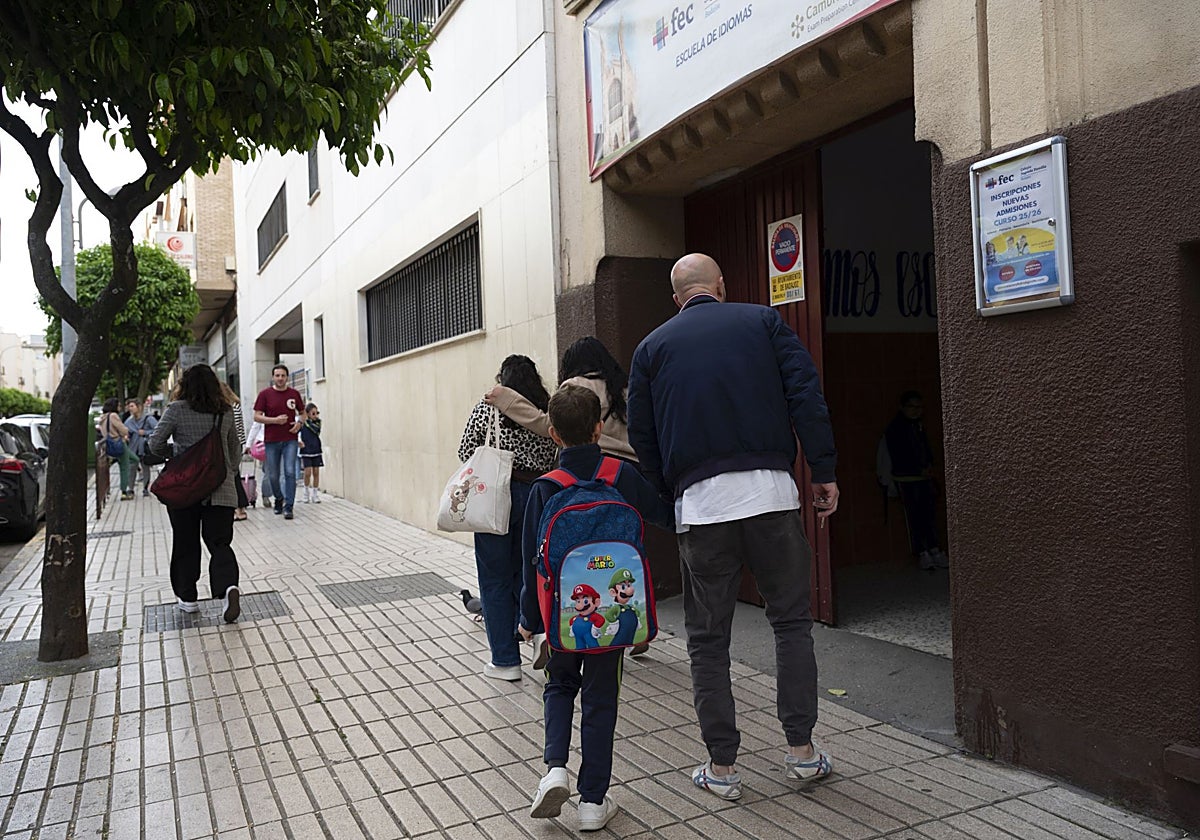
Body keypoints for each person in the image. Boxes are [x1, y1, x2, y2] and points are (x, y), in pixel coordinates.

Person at [626, 253, 839, 801]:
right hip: (771, 494)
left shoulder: (651, 349)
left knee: (708, 640)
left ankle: (722, 768)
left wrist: (669, 496)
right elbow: (806, 396)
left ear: (676, 298)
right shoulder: (764, 322)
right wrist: (824, 470)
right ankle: (802, 754)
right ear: (721, 285)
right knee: (791, 624)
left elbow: (643, 438)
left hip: (701, 509)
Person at [517, 385, 672, 831]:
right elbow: (660, 515)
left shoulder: (546, 488)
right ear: (599, 428)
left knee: (560, 685)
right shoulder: (620, 475)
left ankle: (554, 769)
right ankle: (592, 803)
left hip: (563, 617)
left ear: (552, 433)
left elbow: (532, 562)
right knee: (602, 699)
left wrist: (530, 620)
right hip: (613, 624)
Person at [486, 336, 652, 656]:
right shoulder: (623, 388)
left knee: (577, 553)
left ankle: (573, 622)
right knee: (628, 550)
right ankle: (635, 623)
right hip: (626, 476)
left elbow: (544, 422)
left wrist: (506, 398)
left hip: (583, 470)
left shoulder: (573, 389)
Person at [458, 355, 559, 681]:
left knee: (494, 577)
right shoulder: (545, 413)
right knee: (531, 572)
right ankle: (537, 638)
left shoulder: (488, 409)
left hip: (496, 497)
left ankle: (505, 661)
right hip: (537, 497)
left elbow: (465, 451)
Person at [147, 364, 243, 622]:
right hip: (220, 490)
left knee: (185, 541)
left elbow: (155, 443)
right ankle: (227, 589)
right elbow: (235, 449)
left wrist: (178, 455)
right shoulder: (225, 411)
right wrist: (224, 471)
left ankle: (188, 598)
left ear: (184, 385)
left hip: (184, 489)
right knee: (220, 543)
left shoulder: (176, 410)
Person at [485, 336, 637, 463]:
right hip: (632, 463)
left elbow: (548, 424)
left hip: (596, 462)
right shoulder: (623, 387)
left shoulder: (575, 385)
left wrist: (506, 398)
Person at [883, 390, 948, 570]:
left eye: (919, 407)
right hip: (907, 478)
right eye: (912, 407)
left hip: (922, 477)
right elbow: (899, 455)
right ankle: (922, 552)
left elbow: (925, 449)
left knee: (929, 514)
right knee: (914, 517)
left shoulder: (917, 426)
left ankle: (934, 548)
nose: (916, 411)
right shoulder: (896, 428)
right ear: (902, 407)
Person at [253, 364, 305, 520]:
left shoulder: (294, 394)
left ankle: (289, 506)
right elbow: (257, 416)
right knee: (273, 475)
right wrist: (274, 421)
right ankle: (279, 498)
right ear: (273, 377)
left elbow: (302, 413)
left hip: (290, 439)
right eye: (277, 375)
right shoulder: (265, 394)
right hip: (271, 440)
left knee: (290, 472)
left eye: (283, 376)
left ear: (287, 377)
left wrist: (299, 423)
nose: (280, 378)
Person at [219, 382, 249, 521]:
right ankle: (239, 507)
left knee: (234, 477)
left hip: (231, 445)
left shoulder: (229, 407)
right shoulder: (236, 404)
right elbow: (240, 428)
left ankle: (239, 507)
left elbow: (235, 428)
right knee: (235, 476)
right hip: (237, 445)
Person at [100, 397, 138, 500]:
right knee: (125, 467)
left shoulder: (103, 417)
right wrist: (125, 432)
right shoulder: (113, 416)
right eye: (118, 405)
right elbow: (123, 430)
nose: (120, 407)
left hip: (109, 444)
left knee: (135, 459)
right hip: (119, 443)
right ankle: (124, 492)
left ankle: (115, 459)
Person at [123, 399, 158, 497]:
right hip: (133, 448)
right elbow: (126, 431)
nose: (130, 409)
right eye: (129, 406)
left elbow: (158, 430)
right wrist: (126, 436)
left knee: (145, 468)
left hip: (144, 448)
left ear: (139, 407)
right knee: (131, 468)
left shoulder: (148, 419)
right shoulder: (129, 421)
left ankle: (145, 489)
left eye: (132, 406)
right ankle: (130, 489)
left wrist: (146, 433)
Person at [298, 403, 323, 504]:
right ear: (307, 414)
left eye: (317, 413)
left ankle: (315, 494)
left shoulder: (317, 423)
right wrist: (299, 441)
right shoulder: (303, 423)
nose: (315, 415)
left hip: (316, 449)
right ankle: (306, 493)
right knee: (307, 472)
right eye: (313, 413)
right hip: (306, 450)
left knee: (316, 472)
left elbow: (317, 431)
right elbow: (297, 432)